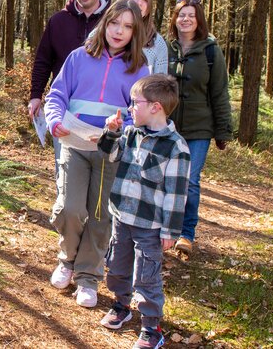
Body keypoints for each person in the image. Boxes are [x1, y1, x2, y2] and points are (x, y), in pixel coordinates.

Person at [43, 0, 148, 307]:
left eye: (128, 27)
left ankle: (88, 277)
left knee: (101, 215)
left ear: (135, 32)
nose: (119, 31)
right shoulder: (79, 57)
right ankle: (67, 260)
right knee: (71, 209)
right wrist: (55, 121)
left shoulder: (139, 68)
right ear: (105, 23)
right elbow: (57, 95)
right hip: (74, 144)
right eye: (114, 23)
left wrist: (121, 126)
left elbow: (139, 115)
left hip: (109, 151)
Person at [95, 74, 191, 349]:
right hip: (122, 217)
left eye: (135, 103)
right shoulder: (130, 133)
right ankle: (121, 305)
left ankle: (151, 326)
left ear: (155, 107)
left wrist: (170, 231)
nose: (130, 108)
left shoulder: (176, 148)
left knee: (146, 276)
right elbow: (109, 154)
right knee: (116, 266)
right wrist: (112, 131)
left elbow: (176, 194)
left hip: (150, 226)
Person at [28, 0, 112, 167]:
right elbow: (43, 60)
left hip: (101, 112)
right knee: (65, 167)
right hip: (64, 107)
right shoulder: (59, 21)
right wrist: (36, 95)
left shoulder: (112, 21)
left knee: (101, 172)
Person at [166, 0, 233, 255]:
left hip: (199, 129)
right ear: (175, 19)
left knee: (190, 180)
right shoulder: (166, 49)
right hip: (168, 126)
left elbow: (220, 92)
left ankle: (186, 233)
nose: (185, 19)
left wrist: (222, 130)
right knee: (165, 179)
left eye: (191, 15)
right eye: (181, 15)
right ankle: (165, 230)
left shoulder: (210, 51)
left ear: (199, 20)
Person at [90, 0, 168, 74]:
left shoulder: (157, 42)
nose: (139, 3)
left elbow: (161, 79)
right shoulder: (98, 34)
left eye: (146, 0)